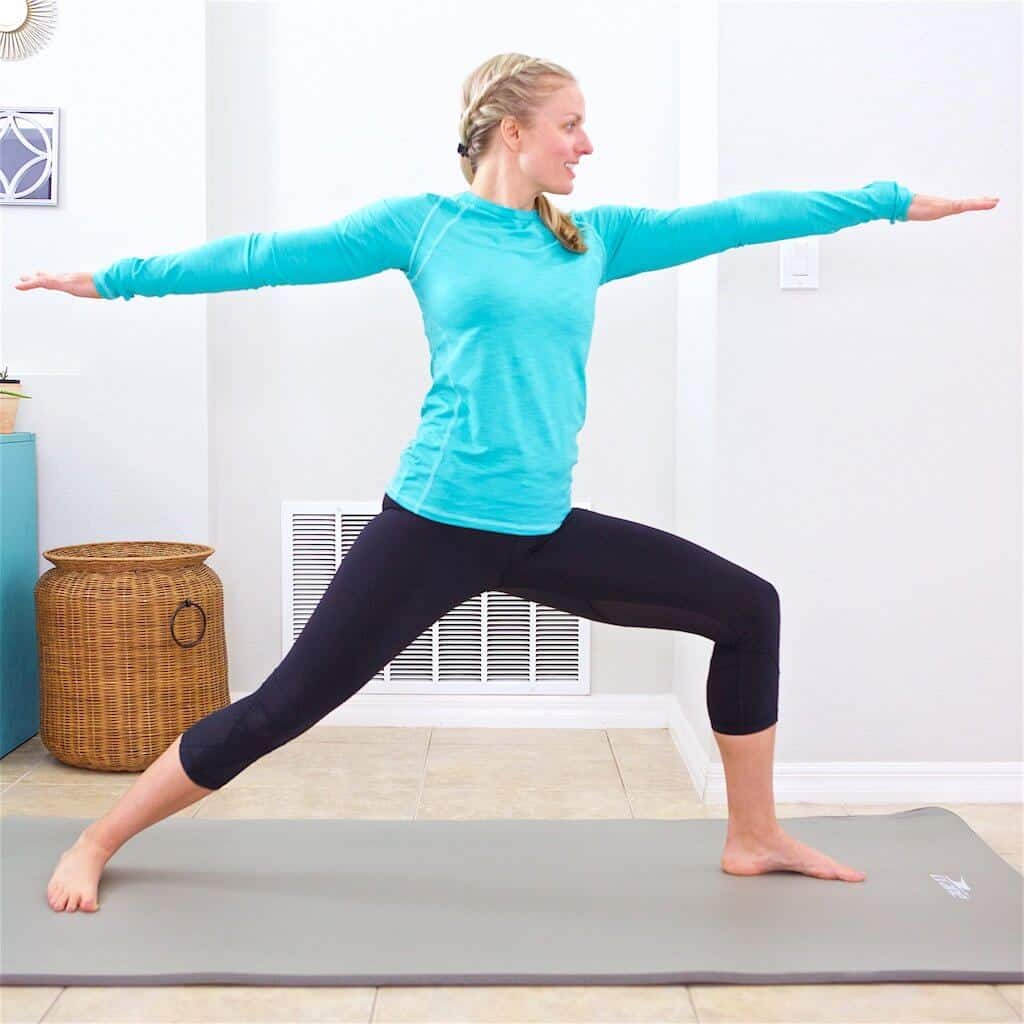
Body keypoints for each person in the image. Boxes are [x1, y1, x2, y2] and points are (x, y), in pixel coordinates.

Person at [18, 53, 998, 914]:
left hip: (540, 527)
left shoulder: (591, 237)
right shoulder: (424, 227)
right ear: (511, 130)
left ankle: (753, 836)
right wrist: (114, 278)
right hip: (432, 526)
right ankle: (97, 838)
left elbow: (736, 219)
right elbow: (264, 258)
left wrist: (886, 200)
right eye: (571, 124)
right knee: (277, 712)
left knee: (746, 607)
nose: (586, 143)